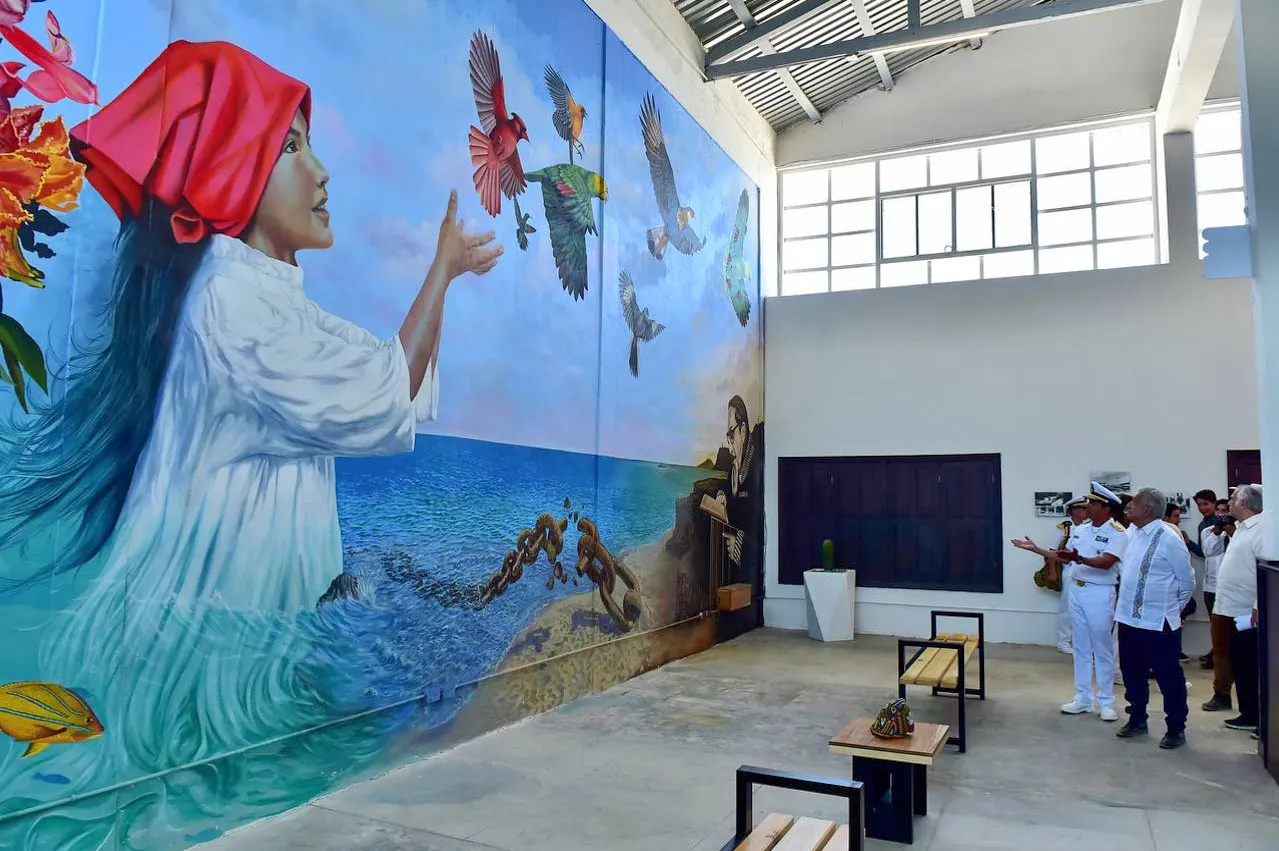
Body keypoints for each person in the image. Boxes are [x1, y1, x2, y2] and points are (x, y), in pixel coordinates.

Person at [0, 40, 502, 812]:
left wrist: (442, 279)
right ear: (235, 172)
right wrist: (439, 271)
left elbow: (388, 380)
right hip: (205, 667)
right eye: (291, 148)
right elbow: (382, 390)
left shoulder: (269, 298)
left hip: (242, 651)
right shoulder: (232, 307)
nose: (321, 172)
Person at [1113, 489, 1196, 749]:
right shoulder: (1131, 533)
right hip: (1128, 620)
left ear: (1148, 510)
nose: (1129, 507)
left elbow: (1187, 581)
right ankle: (1137, 719)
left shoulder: (1169, 538)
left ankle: (1176, 729)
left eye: (1134, 503)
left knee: (1169, 678)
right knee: (1132, 674)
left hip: (1159, 623)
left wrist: (1174, 609)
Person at [1055, 481, 1128, 721]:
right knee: (1081, 647)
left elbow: (1107, 562)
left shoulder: (1118, 532)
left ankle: (1106, 701)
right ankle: (1083, 698)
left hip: (1100, 592)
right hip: (1077, 589)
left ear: (1106, 508)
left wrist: (1080, 559)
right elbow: (1066, 557)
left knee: (1102, 648)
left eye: (1093, 503)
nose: (1088, 506)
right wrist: (1036, 550)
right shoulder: (1082, 529)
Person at [1211, 484, 1265, 732]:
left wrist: (1258, 605)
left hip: (1247, 611)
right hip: (1230, 608)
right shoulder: (1241, 528)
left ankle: (1256, 715)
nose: (1229, 502)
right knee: (1239, 661)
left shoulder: (1261, 529)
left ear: (1244, 503)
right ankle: (1248, 712)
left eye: (1233, 498)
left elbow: (1265, 571)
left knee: (1250, 662)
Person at [1014, 497, 1087, 653]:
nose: (1086, 512)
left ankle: (1081, 642)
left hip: (1086, 571)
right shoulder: (1065, 528)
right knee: (1067, 607)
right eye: (1083, 509)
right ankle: (1064, 642)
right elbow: (1052, 552)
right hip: (1069, 570)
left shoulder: (1088, 527)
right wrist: (1053, 572)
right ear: (1075, 510)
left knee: (1084, 609)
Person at [1201, 497, 1238, 709]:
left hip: (1240, 597)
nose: (1223, 515)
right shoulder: (1211, 531)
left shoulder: (1243, 532)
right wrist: (1218, 531)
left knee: (1242, 649)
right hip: (1216, 592)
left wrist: (1233, 532)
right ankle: (1222, 693)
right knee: (1220, 647)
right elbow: (1209, 551)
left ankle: (1249, 699)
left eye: (1227, 511)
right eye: (1220, 511)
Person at [1188, 490, 1223, 671]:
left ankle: (1220, 653)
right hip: (1210, 579)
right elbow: (1204, 552)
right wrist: (1189, 544)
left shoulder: (1222, 523)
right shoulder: (1203, 525)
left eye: (1206, 504)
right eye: (1199, 505)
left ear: (1214, 503)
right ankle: (1216, 651)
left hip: (1223, 578)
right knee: (1213, 619)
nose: (1202, 508)